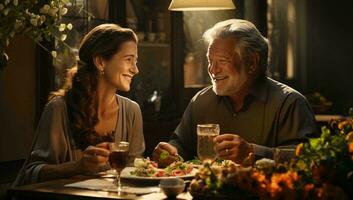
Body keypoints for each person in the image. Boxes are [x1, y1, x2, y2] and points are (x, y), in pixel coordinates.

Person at [153, 19, 317, 166]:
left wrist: (252, 153)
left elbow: (309, 160)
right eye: (210, 61)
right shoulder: (201, 101)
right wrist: (170, 151)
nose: (212, 70)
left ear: (252, 62)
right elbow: (180, 144)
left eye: (222, 61)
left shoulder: (290, 103)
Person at [13, 24, 144, 186]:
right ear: (100, 61)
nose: (135, 69)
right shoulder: (59, 109)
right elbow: (32, 173)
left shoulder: (132, 111)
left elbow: (136, 171)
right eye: (128, 60)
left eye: (135, 61)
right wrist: (78, 166)